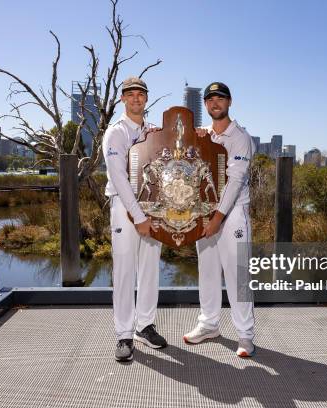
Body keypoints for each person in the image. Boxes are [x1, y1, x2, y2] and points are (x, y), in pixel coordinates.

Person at [183, 82, 256, 357]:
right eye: (210, 99)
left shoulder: (240, 137)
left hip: (233, 213)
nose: (215, 103)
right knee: (208, 270)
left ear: (230, 102)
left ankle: (245, 335)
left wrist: (218, 218)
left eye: (220, 98)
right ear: (205, 105)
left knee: (238, 275)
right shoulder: (203, 137)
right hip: (205, 212)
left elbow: (235, 181)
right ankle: (209, 324)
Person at [103, 76, 167, 362]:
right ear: (122, 99)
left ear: (146, 98)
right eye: (130, 94)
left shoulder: (154, 132)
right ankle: (124, 335)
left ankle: (144, 325)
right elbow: (119, 178)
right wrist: (138, 217)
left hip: (152, 209)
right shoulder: (115, 133)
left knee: (150, 268)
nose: (136, 99)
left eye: (141, 94)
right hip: (124, 208)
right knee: (125, 270)